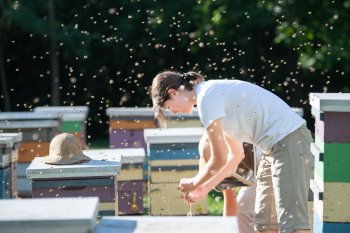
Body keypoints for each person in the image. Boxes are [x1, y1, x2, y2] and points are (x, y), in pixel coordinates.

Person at [149, 70, 313, 233]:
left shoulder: (206, 98)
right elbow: (236, 155)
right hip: (270, 150)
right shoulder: (211, 98)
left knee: (292, 223)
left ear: (174, 92)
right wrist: (204, 188)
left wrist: (194, 183)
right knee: (265, 224)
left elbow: (218, 159)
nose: (174, 112)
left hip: (289, 141)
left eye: (169, 107)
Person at [199, 132, 262, 233]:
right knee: (243, 209)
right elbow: (230, 203)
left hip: (277, 163)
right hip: (255, 173)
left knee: (270, 219)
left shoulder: (256, 148)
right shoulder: (223, 147)